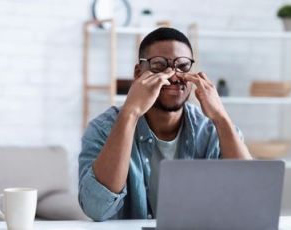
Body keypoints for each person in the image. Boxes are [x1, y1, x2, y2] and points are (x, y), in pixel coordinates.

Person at [78, 27, 252, 221]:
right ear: (138, 73)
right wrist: (130, 113)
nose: (173, 76)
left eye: (183, 66)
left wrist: (221, 116)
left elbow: (250, 200)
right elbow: (96, 208)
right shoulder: (103, 129)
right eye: (159, 66)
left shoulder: (213, 131)